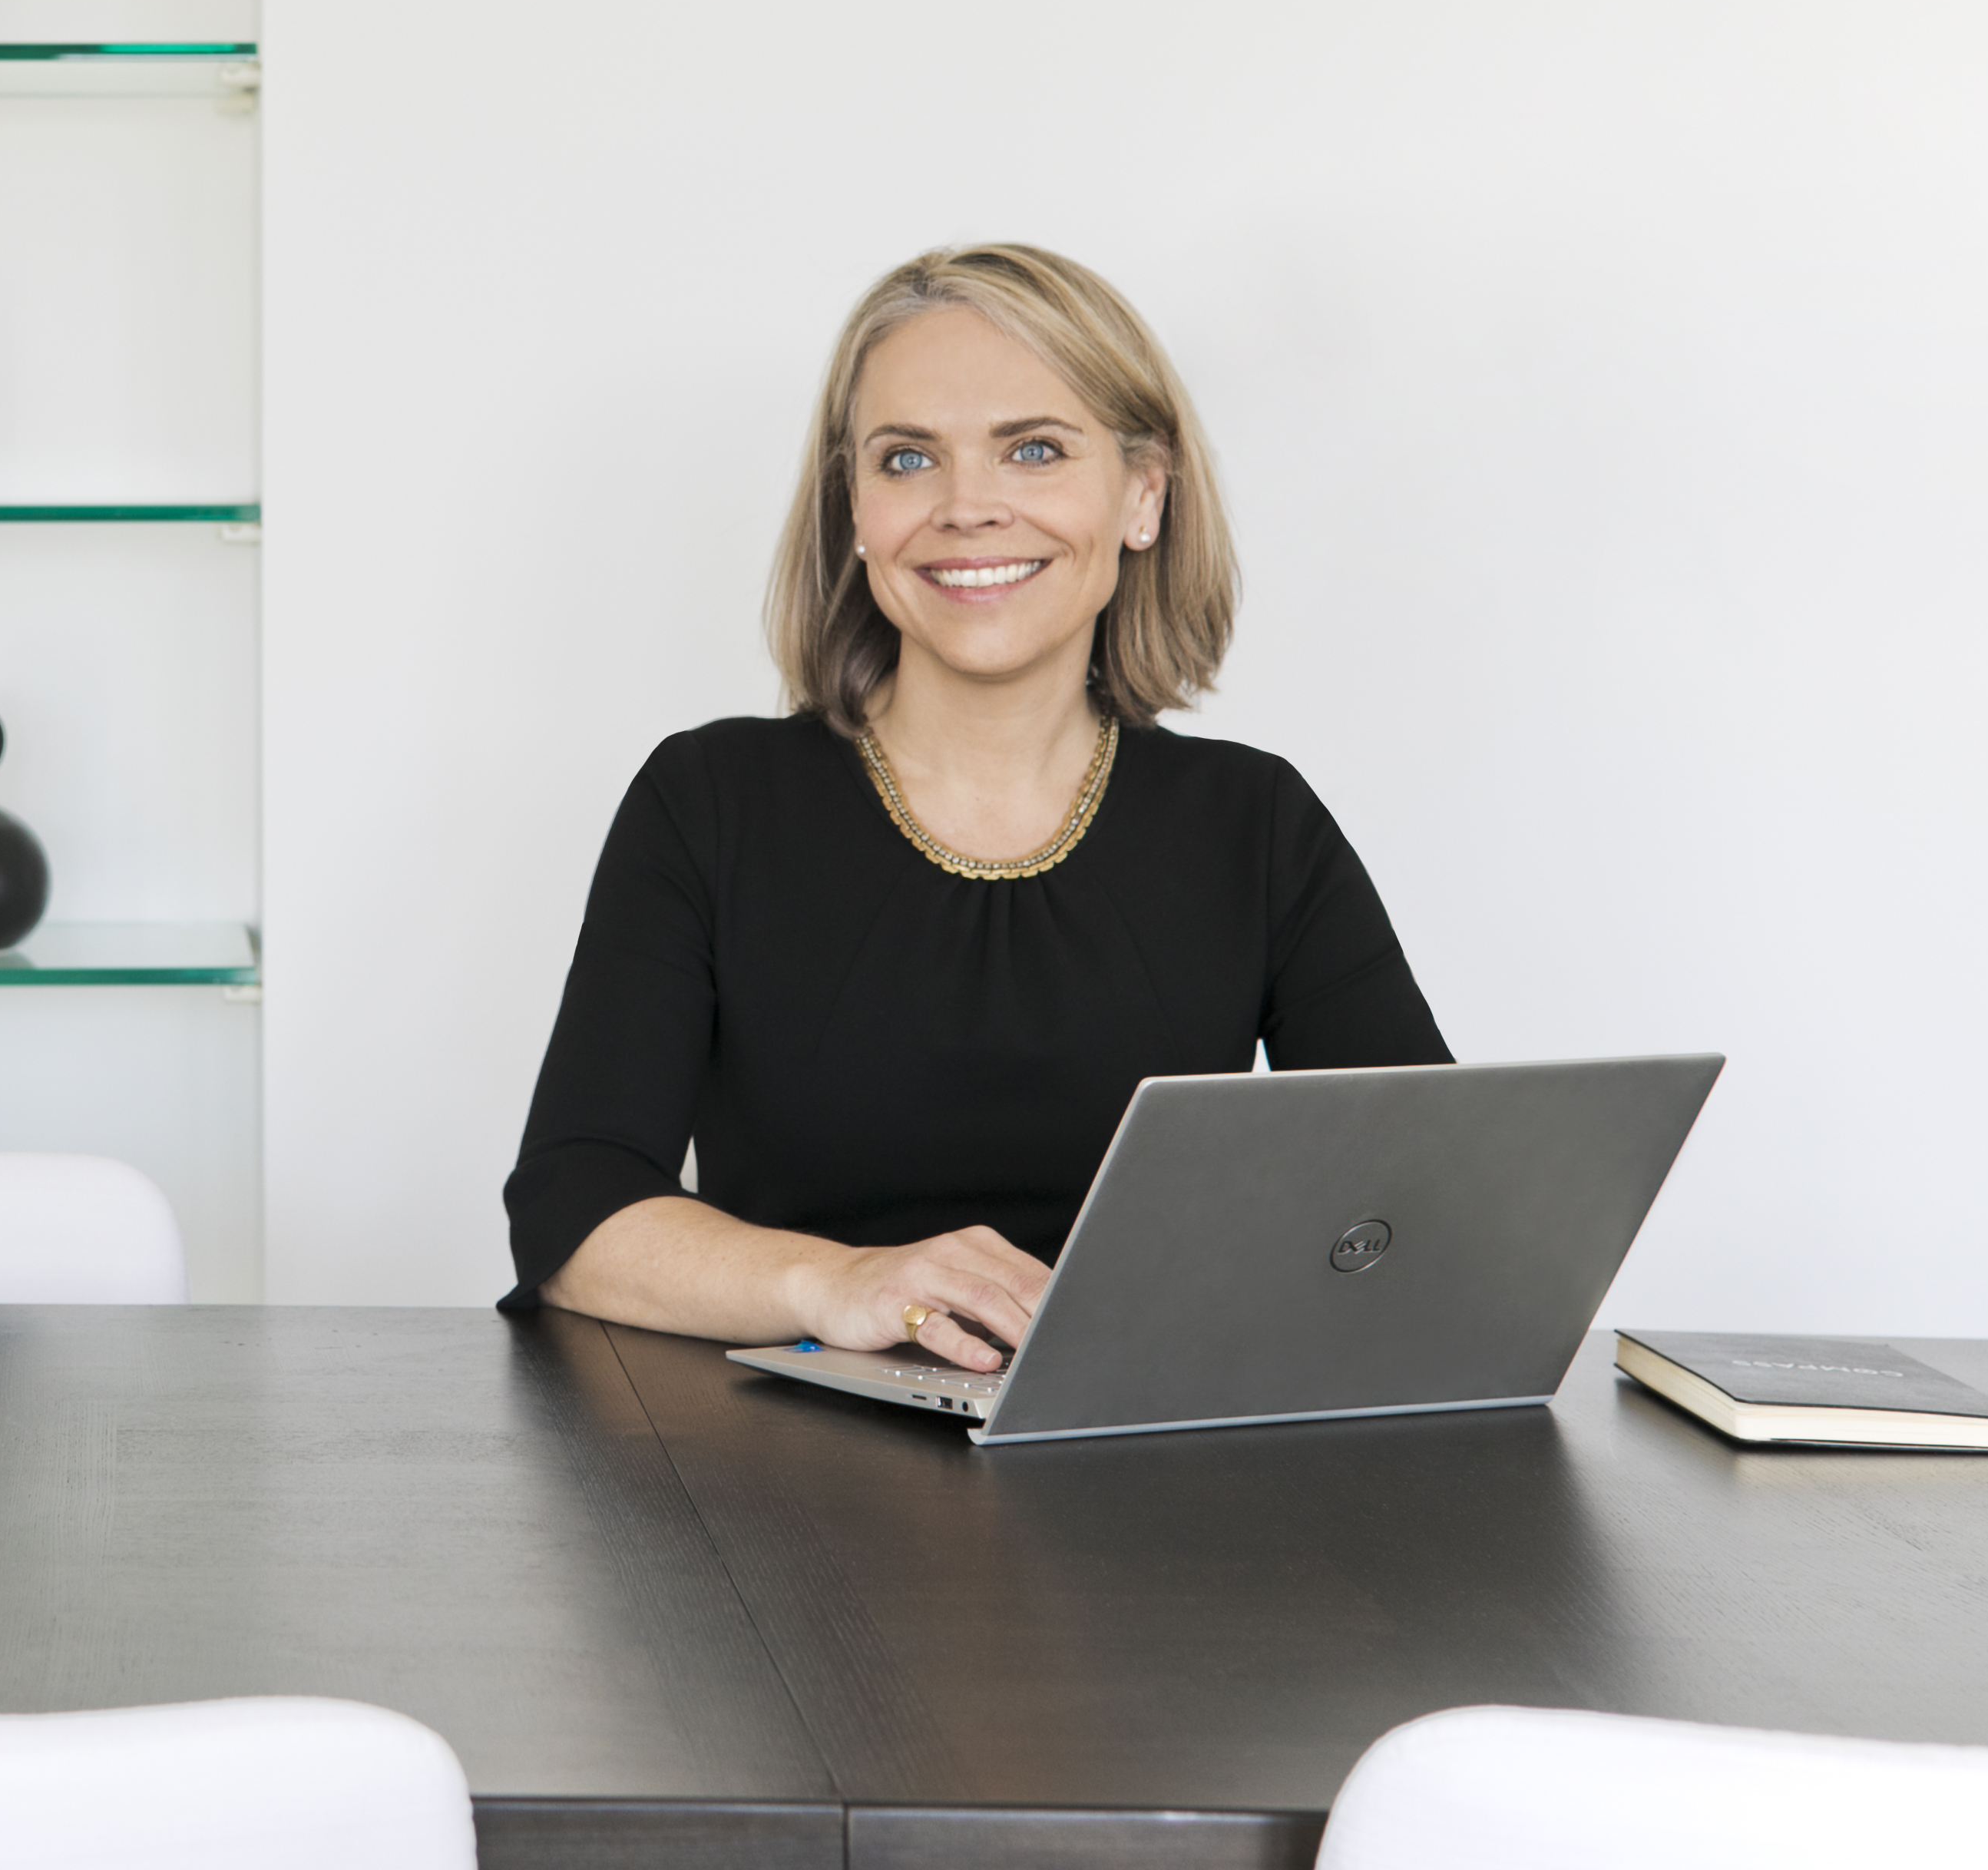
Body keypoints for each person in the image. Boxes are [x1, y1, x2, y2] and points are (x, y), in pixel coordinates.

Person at [502, 243, 1449, 1375]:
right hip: (783, 1485)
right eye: (907, 460)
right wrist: (840, 1280)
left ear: (1144, 494)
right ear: (856, 508)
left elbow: (1420, 1204)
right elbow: (575, 1211)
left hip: (1144, 1484)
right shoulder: (709, 803)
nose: (966, 509)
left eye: (1035, 450)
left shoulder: (1255, 824)